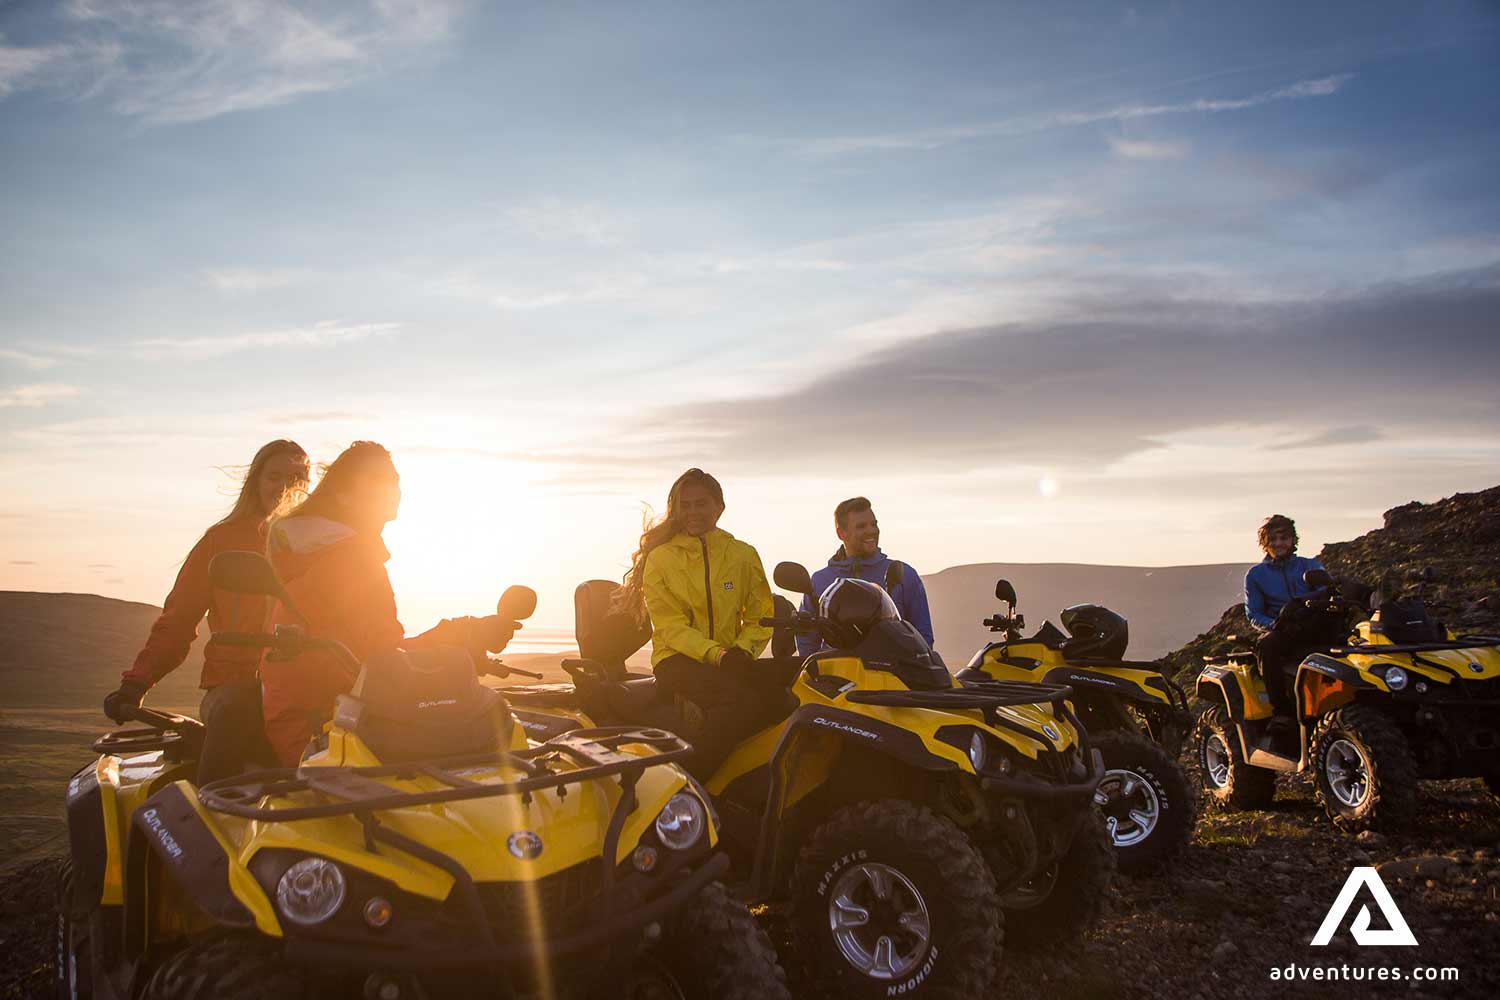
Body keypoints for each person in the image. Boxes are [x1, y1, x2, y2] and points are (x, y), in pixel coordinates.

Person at [258, 441, 517, 766]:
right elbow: (385, 661)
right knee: (488, 738)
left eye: (393, 480)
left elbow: (373, 655)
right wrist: (463, 637)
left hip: (323, 715)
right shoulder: (347, 559)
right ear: (343, 495)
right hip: (326, 729)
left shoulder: (327, 551)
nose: (392, 489)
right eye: (377, 480)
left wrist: (461, 634)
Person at [104, 439, 311, 783]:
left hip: (300, 687)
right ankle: (211, 808)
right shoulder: (221, 541)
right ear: (255, 481)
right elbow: (179, 620)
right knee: (237, 708)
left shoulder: (314, 547)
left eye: (297, 477)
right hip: (234, 686)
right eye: (275, 476)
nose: (286, 487)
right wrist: (137, 682)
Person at [616, 468, 776, 778]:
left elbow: (761, 614)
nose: (693, 512)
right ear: (675, 509)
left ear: (719, 507)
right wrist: (718, 655)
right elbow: (670, 626)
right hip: (677, 660)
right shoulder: (661, 559)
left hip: (731, 658)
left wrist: (744, 650)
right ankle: (694, 783)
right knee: (740, 701)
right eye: (685, 505)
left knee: (783, 695)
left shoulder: (743, 554)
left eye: (701, 504)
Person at [797, 496, 938, 660]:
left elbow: (923, 636)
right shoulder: (820, 581)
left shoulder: (904, 574)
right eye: (861, 526)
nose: (871, 531)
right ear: (841, 533)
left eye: (874, 524)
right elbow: (807, 641)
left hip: (893, 678)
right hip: (838, 677)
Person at [1245, 514, 1326, 721]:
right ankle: (1281, 712)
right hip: (1283, 630)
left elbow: (1327, 590)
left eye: (1284, 538)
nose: (1279, 544)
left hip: (1314, 623)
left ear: (1292, 540)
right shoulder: (1256, 575)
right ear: (1265, 543)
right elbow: (1254, 614)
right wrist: (1275, 624)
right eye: (1273, 539)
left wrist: (1304, 606)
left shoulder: (1310, 566)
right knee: (1266, 645)